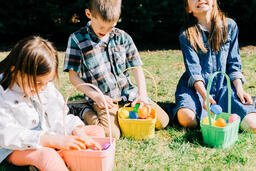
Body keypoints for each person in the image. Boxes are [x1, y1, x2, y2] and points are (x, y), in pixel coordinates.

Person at [64, 0, 169, 139]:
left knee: (162, 121)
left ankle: (119, 116)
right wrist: (96, 96)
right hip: (103, 100)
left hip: (129, 95)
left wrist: (142, 94)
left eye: (111, 26)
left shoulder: (123, 37)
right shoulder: (77, 40)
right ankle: (82, 110)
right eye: (102, 26)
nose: (106, 31)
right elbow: (73, 77)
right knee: (111, 134)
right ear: (89, 14)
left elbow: (136, 67)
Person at [0, 36, 104, 171]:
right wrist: (51, 141)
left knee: (96, 132)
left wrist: (77, 131)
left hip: (50, 136)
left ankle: (64, 157)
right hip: (15, 147)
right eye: (37, 83)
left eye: (47, 82)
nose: (42, 88)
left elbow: (60, 117)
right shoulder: (3, 93)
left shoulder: (45, 86)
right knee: (47, 155)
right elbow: (7, 134)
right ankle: (56, 159)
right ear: (15, 71)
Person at [173, 0, 256, 132]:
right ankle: (179, 107)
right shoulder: (186, 35)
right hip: (195, 89)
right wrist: (205, 96)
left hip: (224, 87)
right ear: (188, 8)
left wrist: (239, 89)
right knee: (188, 120)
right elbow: (194, 72)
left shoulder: (230, 26)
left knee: (253, 125)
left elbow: (233, 64)